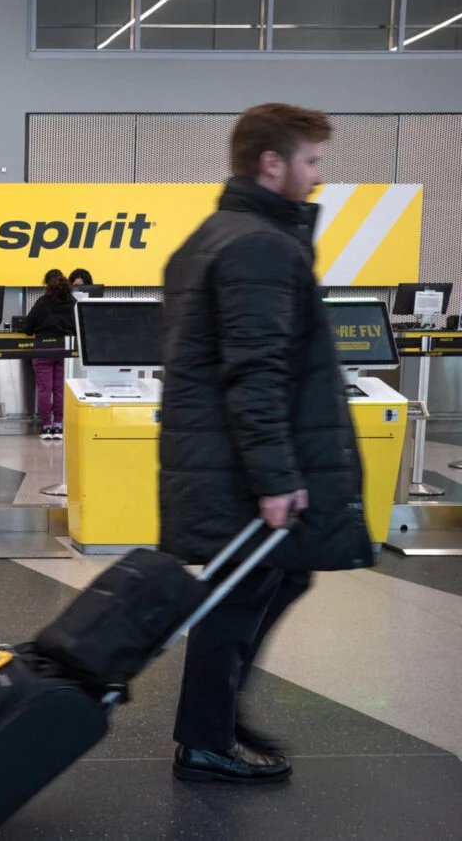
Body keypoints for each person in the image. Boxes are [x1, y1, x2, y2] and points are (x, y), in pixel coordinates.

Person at [161, 103, 371, 784]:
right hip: (240, 468)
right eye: (310, 161)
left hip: (222, 460)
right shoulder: (258, 245)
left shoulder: (214, 237)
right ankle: (206, 741)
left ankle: (219, 718)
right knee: (242, 592)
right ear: (271, 163)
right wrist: (275, 478)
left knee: (281, 574)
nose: (317, 175)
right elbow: (255, 371)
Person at [21, 269, 76, 439]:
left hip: (43, 349)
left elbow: (28, 328)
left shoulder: (42, 302)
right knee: (60, 389)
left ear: (47, 286)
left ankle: (46, 426)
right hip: (64, 349)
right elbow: (78, 327)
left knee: (44, 389)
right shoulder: (72, 302)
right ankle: (58, 426)